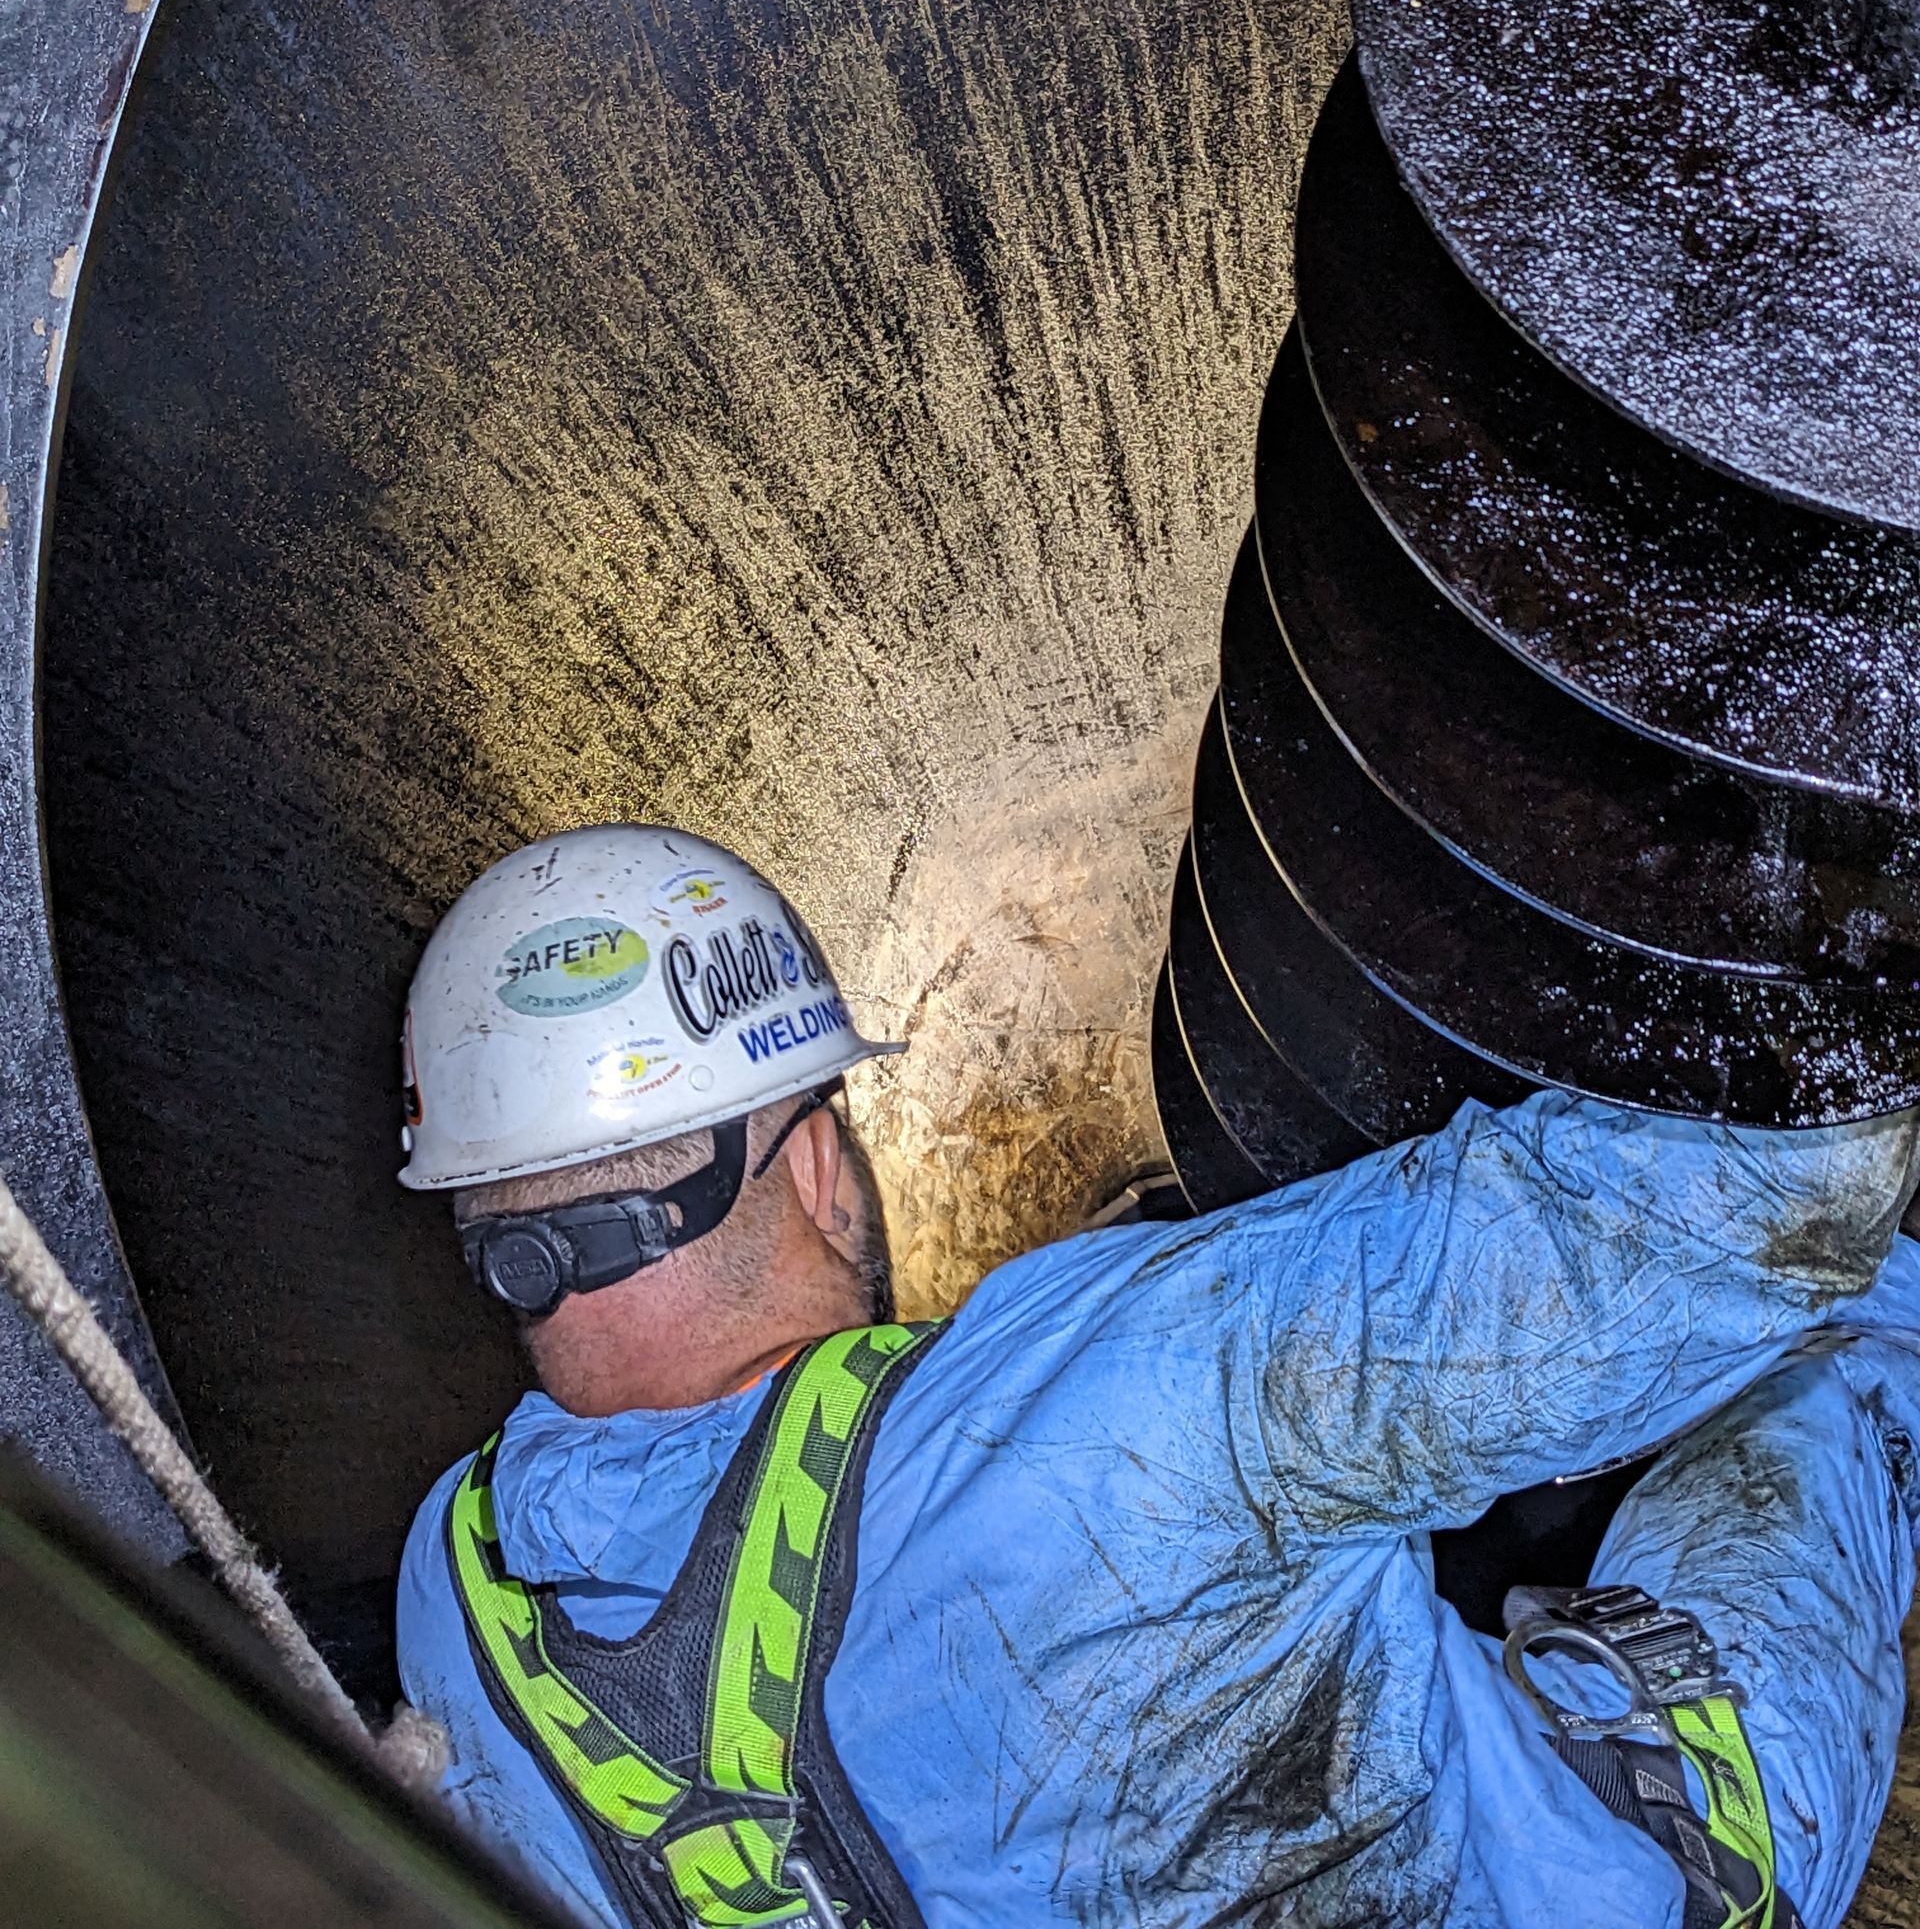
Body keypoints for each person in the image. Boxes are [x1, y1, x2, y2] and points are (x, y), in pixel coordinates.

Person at [396, 824, 1920, 1929]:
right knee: (1831, 1365)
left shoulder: (456, 1600)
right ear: (813, 1166)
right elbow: (1769, 1205)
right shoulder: (1115, 1398)